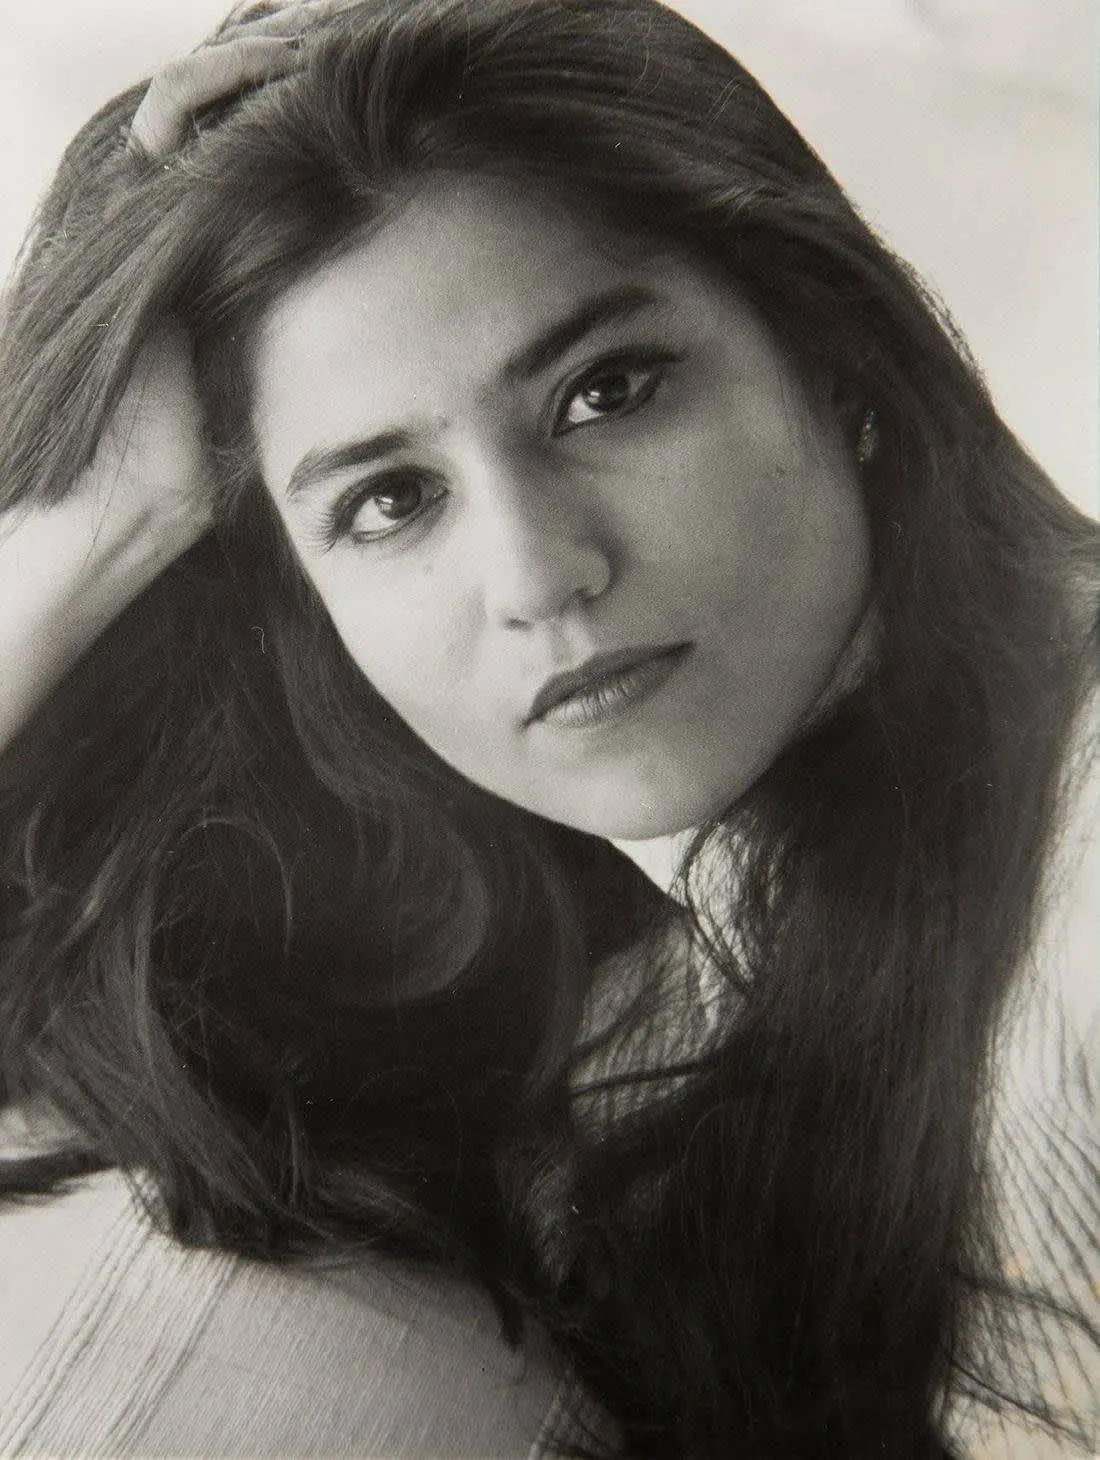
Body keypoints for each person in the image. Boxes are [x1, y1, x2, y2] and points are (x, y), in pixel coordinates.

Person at [0, 1, 1095, 1455]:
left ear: (831, 352)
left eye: (607, 393)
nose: (537, 576)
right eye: (388, 500)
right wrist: (81, 538)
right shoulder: (654, 970)